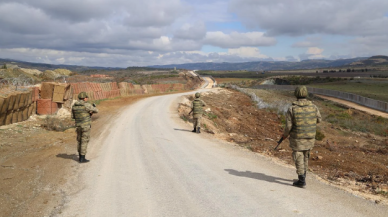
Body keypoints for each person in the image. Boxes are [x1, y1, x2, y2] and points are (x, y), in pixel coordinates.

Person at [282, 86, 321, 187]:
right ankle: (303, 176)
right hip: (310, 137)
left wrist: (285, 135)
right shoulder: (314, 107)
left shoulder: (292, 108)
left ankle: (301, 180)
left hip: (297, 137)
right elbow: (319, 120)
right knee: (305, 156)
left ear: (296, 94)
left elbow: (288, 126)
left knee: (298, 156)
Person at [72, 92, 99, 163]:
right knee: (84, 141)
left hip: (78, 126)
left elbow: (73, 117)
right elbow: (96, 110)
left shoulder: (74, 106)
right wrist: (92, 109)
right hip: (85, 126)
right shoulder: (86, 105)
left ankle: (80, 156)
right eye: (86, 97)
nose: (87, 98)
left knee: (79, 141)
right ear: (84, 98)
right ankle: (82, 158)